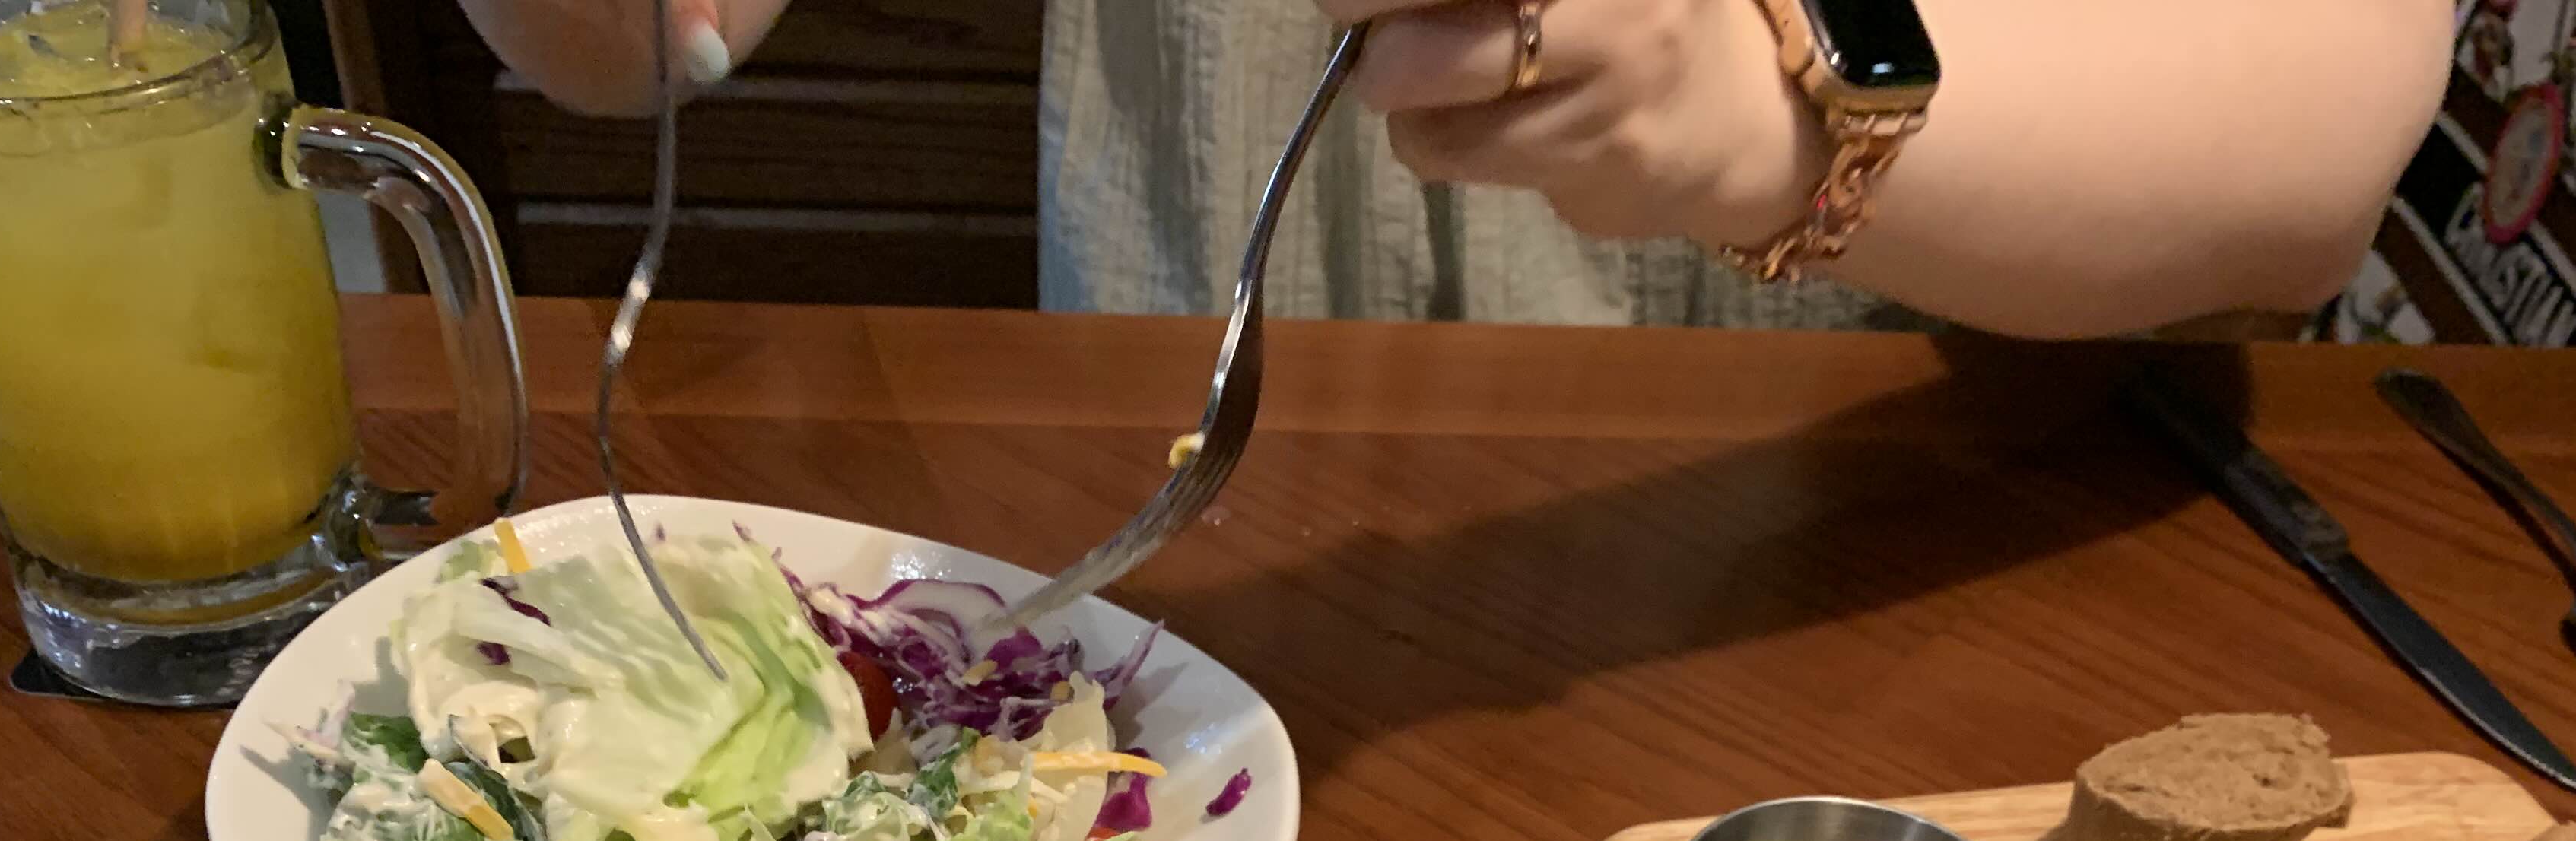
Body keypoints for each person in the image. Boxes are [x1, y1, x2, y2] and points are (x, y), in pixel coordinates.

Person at [454, 0, 2454, 338]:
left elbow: (2315, 143)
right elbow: (621, 44)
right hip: (1220, 589)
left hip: (1897, 524)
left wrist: (1754, 105)